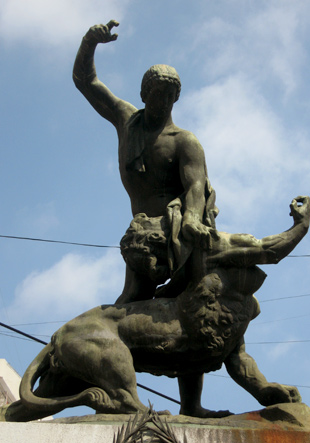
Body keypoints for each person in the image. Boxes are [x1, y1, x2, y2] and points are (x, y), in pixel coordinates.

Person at [73, 20, 218, 304]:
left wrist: (190, 219)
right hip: (142, 237)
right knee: (130, 300)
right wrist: (90, 42)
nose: (162, 102)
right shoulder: (127, 121)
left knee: (204, 300)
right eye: (156, 95)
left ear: (176, 98)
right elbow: (86, 82)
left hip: (181, 235)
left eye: (168, 96)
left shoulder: (184, 141)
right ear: (143, 95)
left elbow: (195, 187)